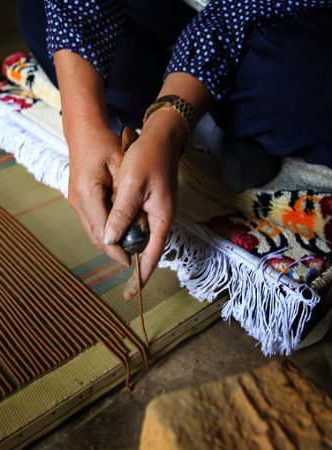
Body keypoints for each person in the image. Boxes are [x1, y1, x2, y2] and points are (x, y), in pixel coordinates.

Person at [17, 0, 332, 286]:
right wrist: (82, 127)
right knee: (39, 14)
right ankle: (211, 118)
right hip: (177, 12)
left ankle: (199, 113)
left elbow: (237, 11)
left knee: (306, 83)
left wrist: (165, 128)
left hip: (279, 16)